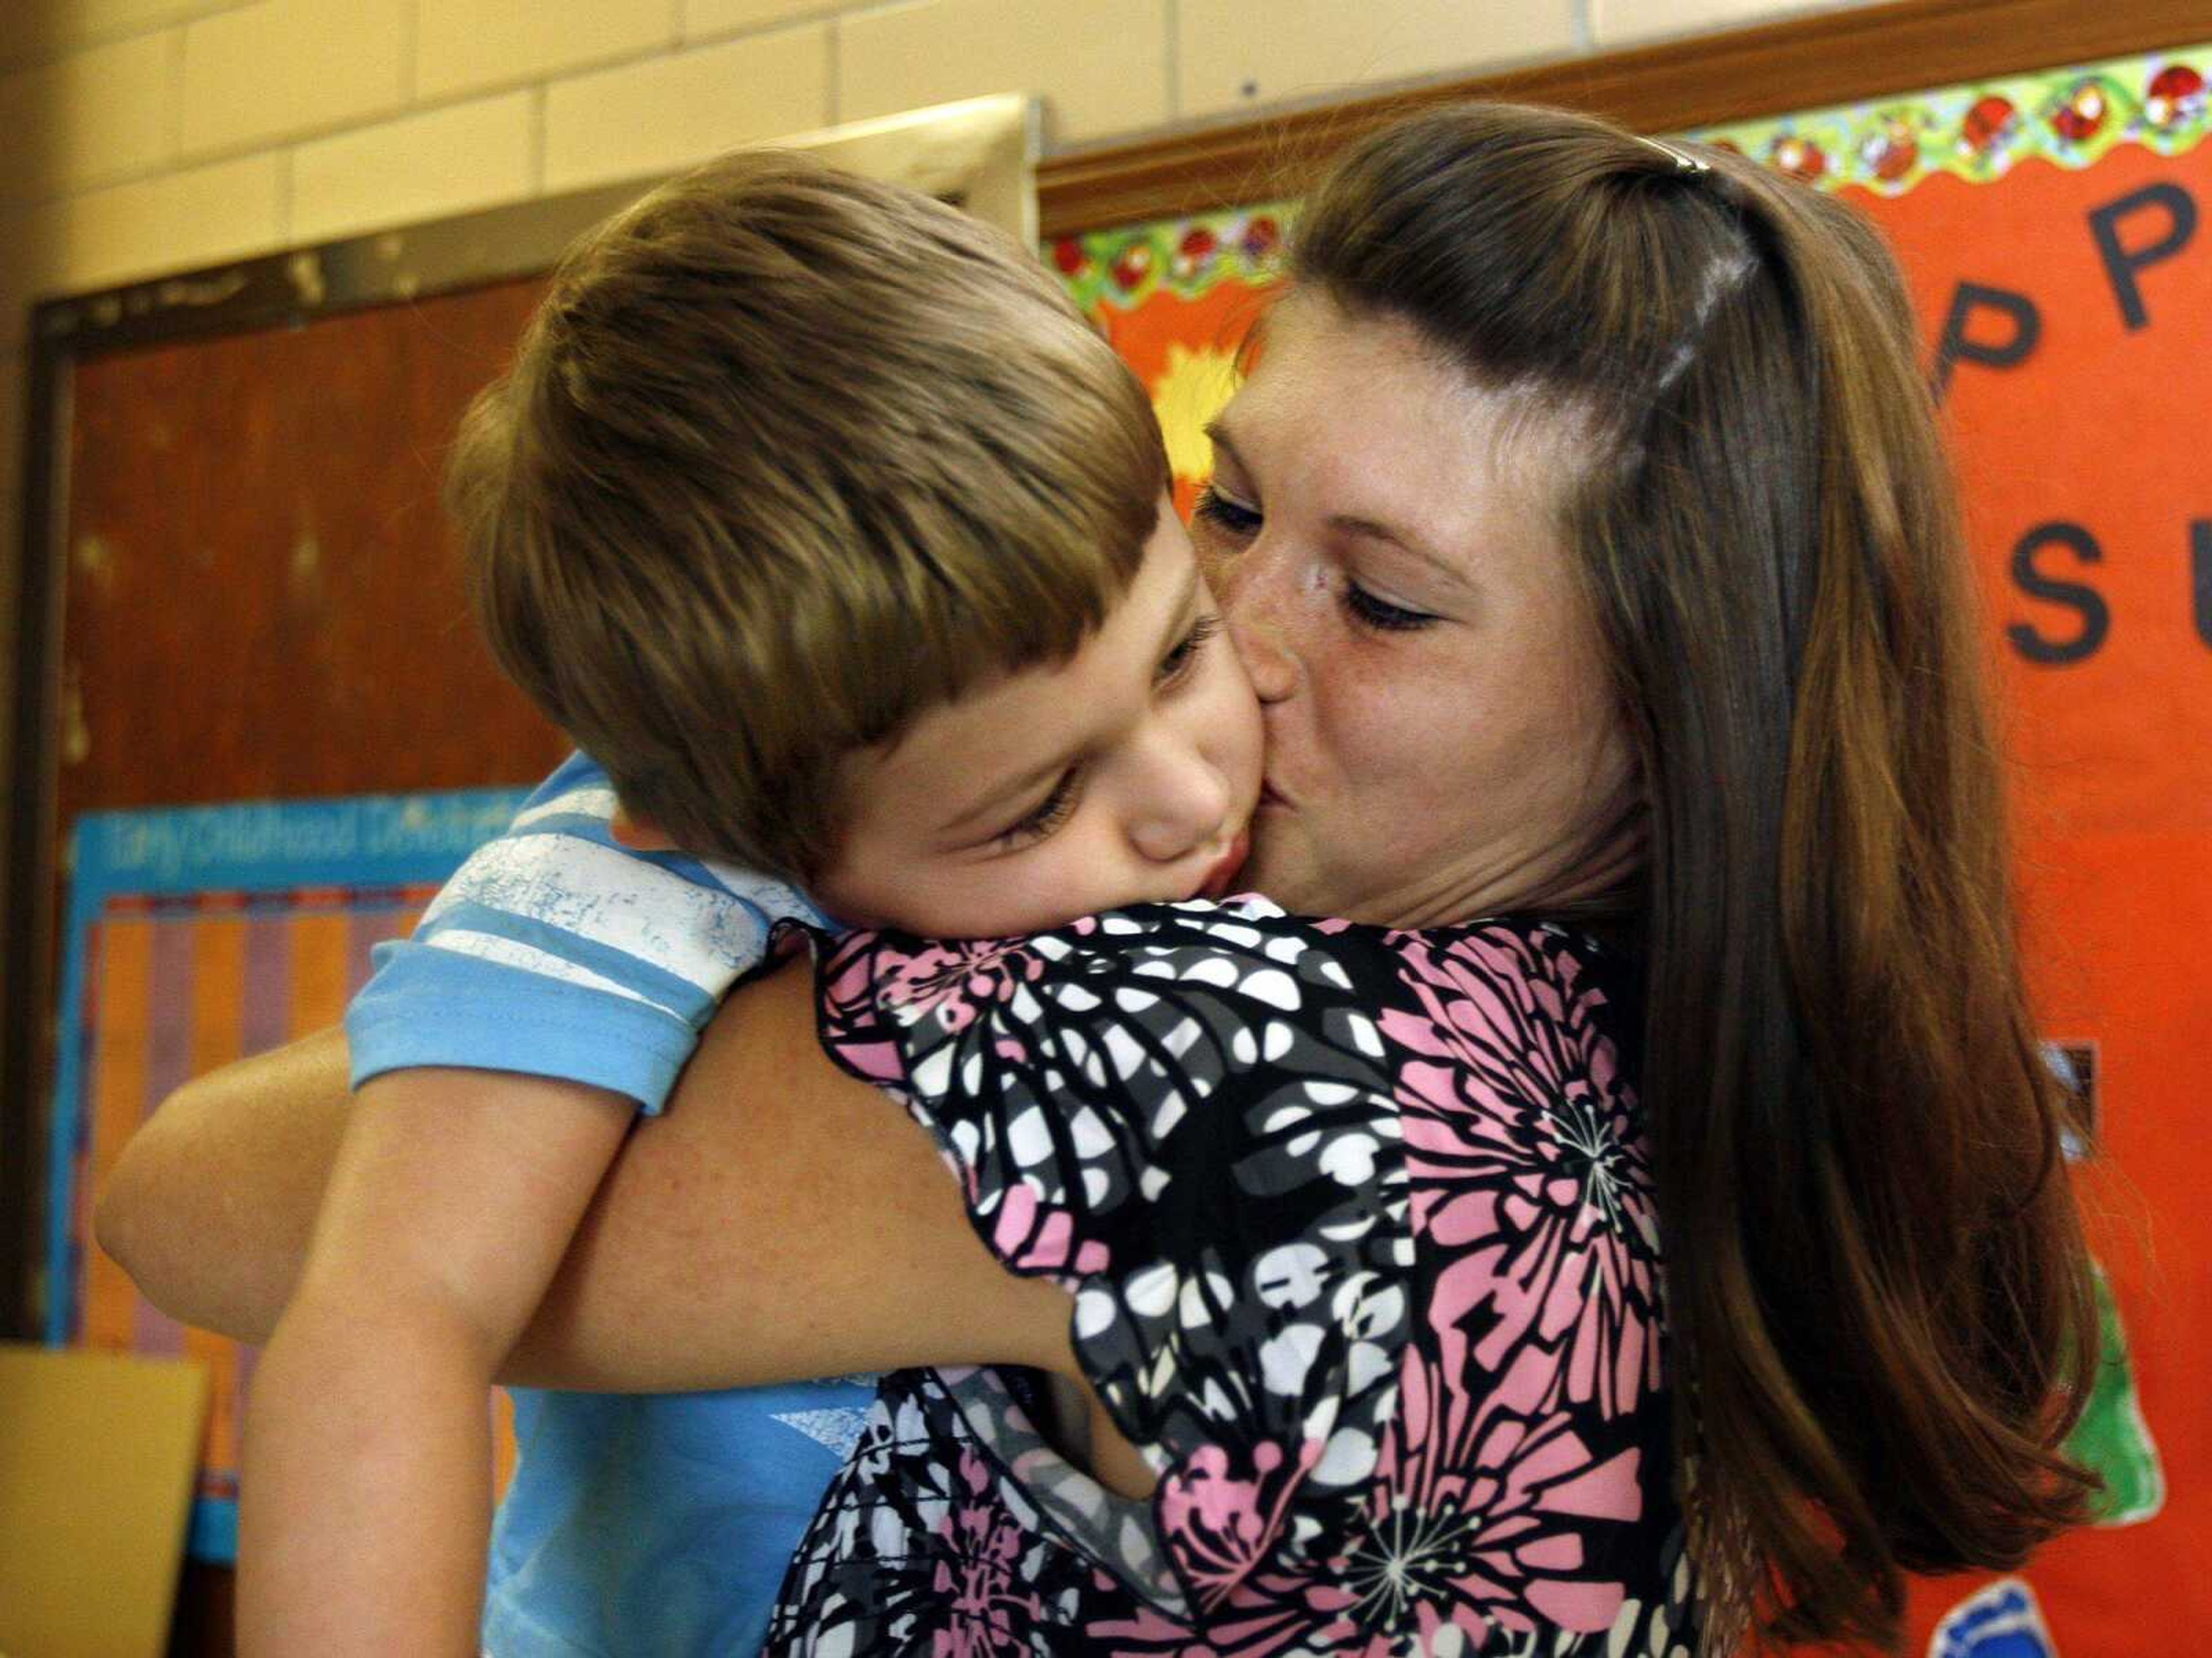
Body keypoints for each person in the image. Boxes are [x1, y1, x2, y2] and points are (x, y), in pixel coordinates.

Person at [99, 102, 2099, 1654]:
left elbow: (195, 1195)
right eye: (1226, 500)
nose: (1241, 637)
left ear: (1686, 711)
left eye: (1387, 603)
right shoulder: (1645, 1054)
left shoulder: (1203, 1045)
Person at [225, 151, 1260, 1657]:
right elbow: (391, 1327)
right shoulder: (622, 888)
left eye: (1183, 651)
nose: (1187, 796)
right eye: (1035, 804)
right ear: (726, 832)